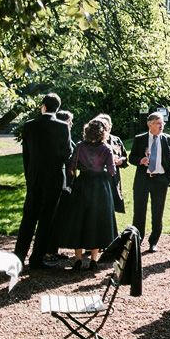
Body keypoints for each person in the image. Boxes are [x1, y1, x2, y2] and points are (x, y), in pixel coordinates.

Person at [14, 93, 74, 269]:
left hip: (34, 177)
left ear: (43, 106)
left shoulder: (30, 126)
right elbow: (67, 152)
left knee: (29, 217)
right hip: (55, 178)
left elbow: (26, 154)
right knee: (46, 219)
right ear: (57, 108)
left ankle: (19, 255)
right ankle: (36, 258)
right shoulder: (63, 127)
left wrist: (29, 175)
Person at [55, 118, 119, 270]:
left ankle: (77, 259)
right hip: (100, 188)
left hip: (82, 185)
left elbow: (71, 167)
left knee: (79, 220)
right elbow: (112, 171)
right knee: (96, 220)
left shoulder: (79, 146)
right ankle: (93, 261)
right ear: (103, 132)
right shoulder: (106, 148)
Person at [128, 110, 170, 253]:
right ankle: (137, 240)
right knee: (139, 211)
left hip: (160, 180)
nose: (162, 126)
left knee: (157, 212)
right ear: (150, 124)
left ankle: (153, 241)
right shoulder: (140, 138)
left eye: (163, 123)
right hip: (143, 180)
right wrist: (140, 160)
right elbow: (131, 158)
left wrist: (168, 179)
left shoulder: (167, 139)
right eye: (158, 123)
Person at [95, 114, 128, 215]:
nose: (104, 128)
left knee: (112, 207)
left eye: (106, 125)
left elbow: (125, 157)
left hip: (113, 179)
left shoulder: (116, 140)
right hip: (99, 179)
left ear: (110, 126)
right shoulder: (93, 141)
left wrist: (121, 160)